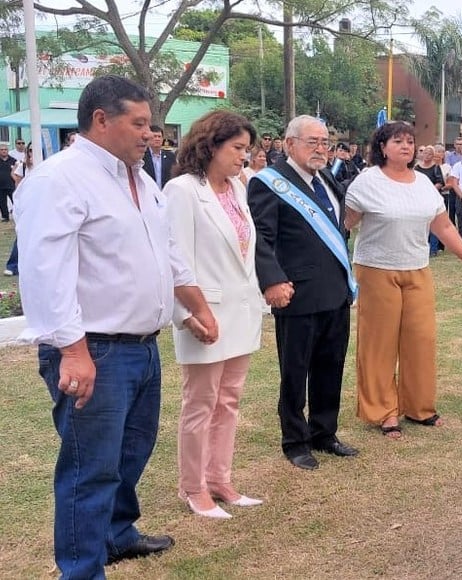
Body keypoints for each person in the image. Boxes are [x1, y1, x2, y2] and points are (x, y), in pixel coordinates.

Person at [15, 75, 218, 579]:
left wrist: (195, 306)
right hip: (95, 350)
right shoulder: (59, 179)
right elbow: (46, 274)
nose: (151, 134)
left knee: (132, 453)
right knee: (90, 469)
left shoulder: (142, 180)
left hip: (141, 348)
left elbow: (167, 255)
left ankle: (117, 533)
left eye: (151, 124)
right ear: (101, 120)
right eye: (140, 123)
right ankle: (82, 570)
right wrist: (73, 351)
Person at [345, 121, 462, 439]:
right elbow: (344, 224)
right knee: (379, 342)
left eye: (410, 141)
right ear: (382, 147)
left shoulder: (423, 183)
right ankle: (384, 412)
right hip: (376, 269)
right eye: (398, 141)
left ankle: (419, 407)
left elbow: (445, 228)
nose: (406, 146)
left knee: (421, 339)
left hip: (417, 269)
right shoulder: (366, 181)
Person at [165, 110, 264, 519]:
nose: (245, 156)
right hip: (204, 314)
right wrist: (185, 314)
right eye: (238, 148)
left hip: (241, 312)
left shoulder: (239, 189)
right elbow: (174, 260)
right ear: (211, 145)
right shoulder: (182, 190)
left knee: (229, 400)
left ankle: (220, 478)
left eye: (247, 149)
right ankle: (193, 487)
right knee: (200, 403)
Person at [248, 114, 358, 471]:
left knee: (331, 365)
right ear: (289, 143)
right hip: (297, 292)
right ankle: (295, 441)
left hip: (335, 291)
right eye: (313, 142)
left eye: (325, 142)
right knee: (295, 371)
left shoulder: (326, 177)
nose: (320, 149)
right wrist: (271, 280)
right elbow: (261, 239)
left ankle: (324, 433)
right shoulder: (269, 183)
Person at [4, 142, 33, 277]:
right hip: (25, 204)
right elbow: (17, 181)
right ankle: (12, 265)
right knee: (21, 233)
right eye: (30, 150)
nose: (32, 153)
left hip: (40, 203)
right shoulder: (23, 166)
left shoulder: (45, 165)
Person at [414, 145, 446, 256]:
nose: (427, 155)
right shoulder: (417, 168)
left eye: (429, 154)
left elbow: (440, 182)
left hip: (432, 198)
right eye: (425, 153)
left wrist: (429, 189)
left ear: (433, 156)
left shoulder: (436, 167)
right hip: (419, 199)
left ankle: (433, 249)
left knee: (433, 224)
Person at [142, 125, 176, 189]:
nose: (157, 139)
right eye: (154, 136)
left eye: (159, 136)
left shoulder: (170, 156)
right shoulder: (142, 156)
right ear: (149, 138)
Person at [0, 142, 16, 222]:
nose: (3, 151)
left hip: (11, 185)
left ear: (8, 151)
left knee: (15, 201)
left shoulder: (13, 160)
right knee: (2, 203)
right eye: (2, 150)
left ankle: (18, 215)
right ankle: (5, 217)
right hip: (0, 186)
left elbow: (17, 172)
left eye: (5, 149)